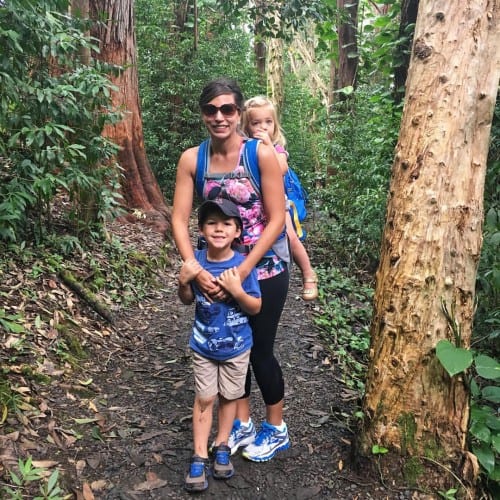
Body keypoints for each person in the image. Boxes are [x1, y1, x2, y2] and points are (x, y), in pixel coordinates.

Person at [172, 77, 291, 465]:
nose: (219, 117)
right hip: (217, 272)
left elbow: (276, 220)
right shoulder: (193, 159)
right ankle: (240, 421)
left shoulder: (260, 154)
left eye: (227, 109)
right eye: (211, 109)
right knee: (228, 347)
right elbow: (178, 218)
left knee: (259, 352)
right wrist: (195, 267)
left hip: (265, 269)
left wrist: (243, 271)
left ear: (239, 112)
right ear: (203, 114)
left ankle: (275, 428)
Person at [178, 198, 262, 492]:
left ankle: (222, 444)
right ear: (201, 230)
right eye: (212, 223)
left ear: (237, 231)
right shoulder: (196, 263)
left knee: (230, 397)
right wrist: (184, 282)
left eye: (226, 223)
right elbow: (187, 300)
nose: (219, 229)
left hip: (238, 348)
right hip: (203, 345)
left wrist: (237, 290)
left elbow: (255, 307)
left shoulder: (242, 266)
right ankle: (199, 453)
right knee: (204, 398)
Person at [241, 95, 318, 301]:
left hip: (275, 204)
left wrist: (267, 146)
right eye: (256, 123)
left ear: (275, 125)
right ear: (246, 126)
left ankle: (308, 273)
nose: (263, 127)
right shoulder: (244, 148)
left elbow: (281, 168)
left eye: (268, 122)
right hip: (253, 206)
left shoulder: (277, 149)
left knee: (290, 237)